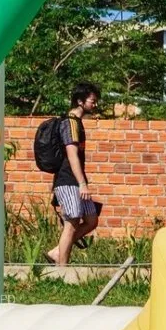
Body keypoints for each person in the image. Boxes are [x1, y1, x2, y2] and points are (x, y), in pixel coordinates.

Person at [46, 82, 101, 266]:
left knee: (91, 220)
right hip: (68, 180)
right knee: (71, 224)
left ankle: (56, 252)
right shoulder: (70, 123)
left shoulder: (77, 123)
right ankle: (62, 270)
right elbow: (71, 154)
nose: (95, 105)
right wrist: (82, 183)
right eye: (92, 101)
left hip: (75, 180)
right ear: (80, 101)